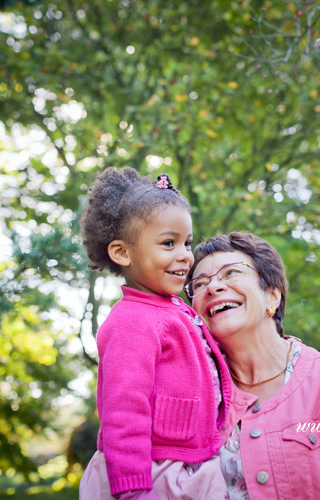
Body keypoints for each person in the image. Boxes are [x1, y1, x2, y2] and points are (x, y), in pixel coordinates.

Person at [185, 232, 320, 500]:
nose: (212, 287)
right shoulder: (190, 393)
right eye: (199, 284)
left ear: (272, 296)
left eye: (231, 272)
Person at [78, 167, 232, 500]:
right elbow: (124, 413)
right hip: (149, 473)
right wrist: (132, 488)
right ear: (122, 252)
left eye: (187, 243)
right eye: (168, 243)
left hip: (188, 463)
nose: (185, 255)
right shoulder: (132, 320)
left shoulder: (174, 309)